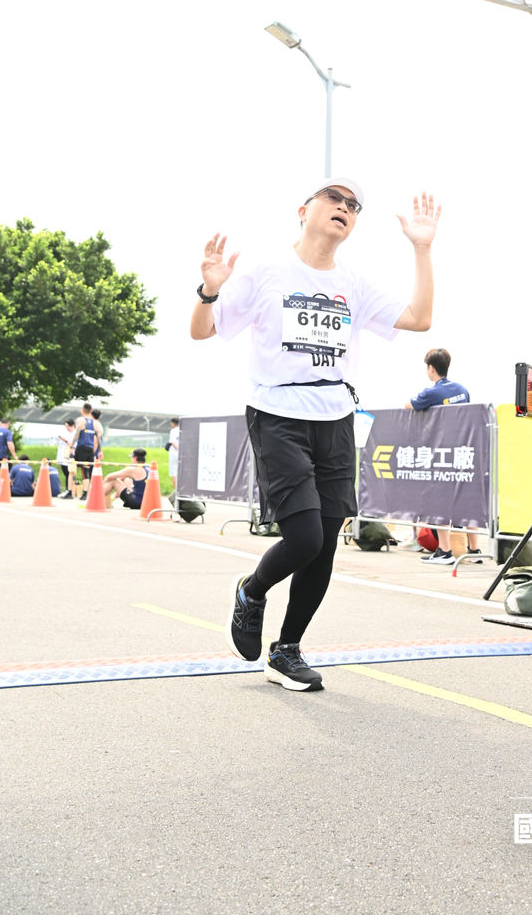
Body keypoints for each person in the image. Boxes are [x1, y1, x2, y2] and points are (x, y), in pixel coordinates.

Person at [191, 180, 439, 693]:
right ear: (303, 210)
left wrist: (421, 249)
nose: (344, 209)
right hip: (277, 412)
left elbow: (420, 318)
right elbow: (202, 330)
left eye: (353, 206)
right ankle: (252, 591)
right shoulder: (266, 271)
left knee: (324, 547)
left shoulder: (354, 281)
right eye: (334, 199)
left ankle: (287, 651)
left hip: (335, 415)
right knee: (304, 538)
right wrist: (209, 291)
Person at [402, 348, 481, 566]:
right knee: (467, 502)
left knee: (439, 502)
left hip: (443, 453)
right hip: (464, 452)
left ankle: (445, 551)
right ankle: (474, 550)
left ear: (431, 369)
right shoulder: (462, 390)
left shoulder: (431, 393)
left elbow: (409, 405)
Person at [69, 403, 104, 499]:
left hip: (81, 447)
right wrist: (100, 451)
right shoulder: (96, 423)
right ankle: (85, 492)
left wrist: (72, 447)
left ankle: (70, 491)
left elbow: (77, 434)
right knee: (86, 470)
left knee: (72, 468)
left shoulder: (80, 420)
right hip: (90, 449)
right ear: (91, 411)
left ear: (82, 410)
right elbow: (98, 438)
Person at [56, 419, 78, 498]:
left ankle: (69, 490)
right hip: (63, 455)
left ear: (73, 425)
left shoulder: (75, 433)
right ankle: (67, 490)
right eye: (66, 426)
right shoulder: (66, 433)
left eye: (68, 426)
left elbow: (72, 444)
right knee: (65, 472)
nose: (67, 428)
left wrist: (64, 440)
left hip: (69, 455)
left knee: (69, 473)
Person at [166, 418, 180, 491]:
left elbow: (173, 442)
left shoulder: (173, 431)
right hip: (182, 454)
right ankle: (181, 490)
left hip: (174, 454)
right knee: (180, 472)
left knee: (174, 473)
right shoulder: (182, 430)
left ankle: (176, 491)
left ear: (173, 423)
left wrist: (178, 450)